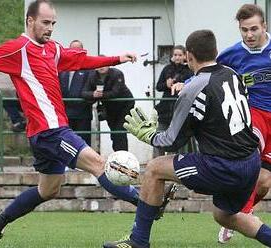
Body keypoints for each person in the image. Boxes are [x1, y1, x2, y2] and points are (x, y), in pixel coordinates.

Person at [0, 0, 139, 245]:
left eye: (53, 23)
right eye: (46, 22)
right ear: (30, 21)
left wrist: (117, 58)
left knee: (48, 190)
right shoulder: (18, 48)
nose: (50, 28)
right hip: (51, 132)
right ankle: (145, 203)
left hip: (47, 132)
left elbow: (81, 61)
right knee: (99, 163)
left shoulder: (52, 49)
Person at [103, 30, 271, 248]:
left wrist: (148, 134)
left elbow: (171, 141)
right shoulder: (232, 74)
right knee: (224, 216)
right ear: (216, 51)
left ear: (189, 56)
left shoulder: (193, 87)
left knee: (154, 168)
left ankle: (138, 241)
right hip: (250, 164)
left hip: (224, 166)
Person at [216, 4, 271, 243]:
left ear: (264, 27)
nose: (249, 35)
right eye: (244, 30)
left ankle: (239, 215)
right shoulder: (231, 55)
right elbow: (208, 71)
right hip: (254, 114)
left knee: (264, 182)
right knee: (249, 160)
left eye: (254, 29)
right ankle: (233, 215)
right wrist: (185, 83)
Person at [82, 64, 134, 151]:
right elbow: (84, 92)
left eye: (105, 64)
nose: (101, 67)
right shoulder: (92, 75)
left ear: (109, 66)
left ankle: (123, 157)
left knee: (120, 132)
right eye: (99, 64)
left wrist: (99, 95)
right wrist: (93, 94)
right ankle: (117, 155)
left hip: (124, 105)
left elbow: (115, 92)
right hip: (109, 107)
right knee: (114, 132)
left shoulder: (117, 73)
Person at [59, 40, 93, 146]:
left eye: (77, 49)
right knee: (67, 143)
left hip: (82, 114)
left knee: (83, 143)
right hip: (65, 114)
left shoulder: (88, 68)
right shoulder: (63, 68)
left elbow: (90, 90)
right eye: (72, 49)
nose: (74, 51)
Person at [155, 45, 193, 130]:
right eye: (175, 55)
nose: (177, 57)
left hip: (181, 106)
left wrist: (182, 85)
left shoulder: (189, 70)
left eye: (179, 55)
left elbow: (192, 86)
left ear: (184, 56)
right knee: (162, 133)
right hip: (166, 108)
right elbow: (158, 87)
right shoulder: (167, 69)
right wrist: (166, 84)